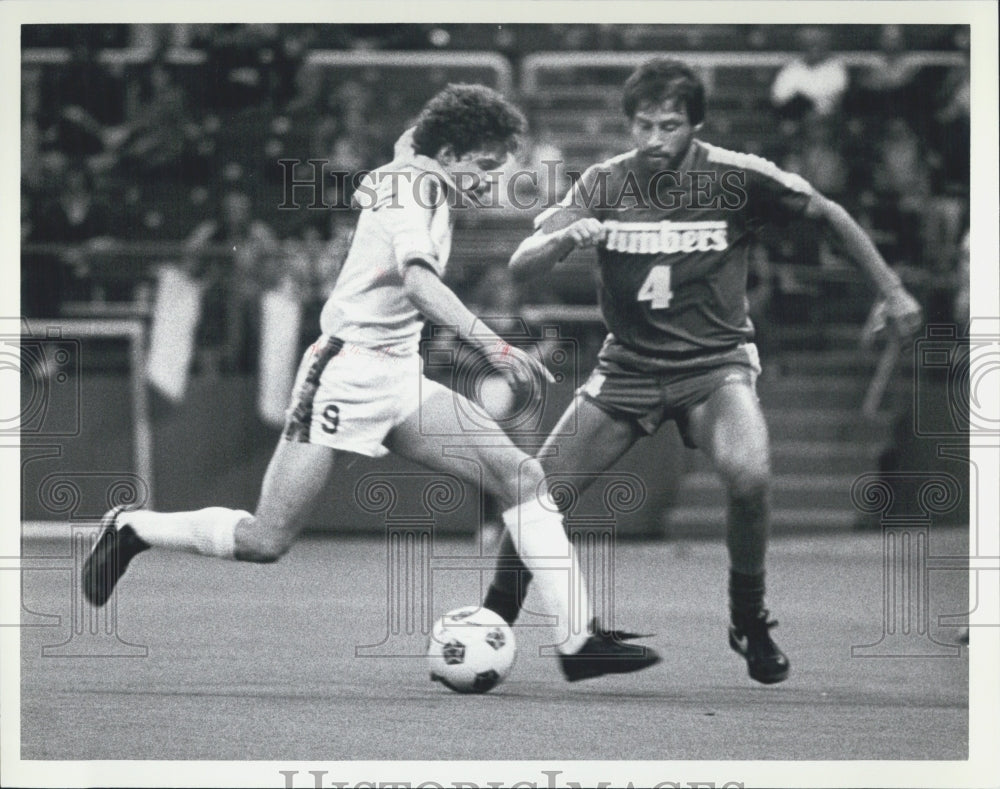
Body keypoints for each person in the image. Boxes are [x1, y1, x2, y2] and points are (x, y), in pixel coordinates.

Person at [82, 84, 660, 683]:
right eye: (484, 167)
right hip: (344, 373)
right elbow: (418, 282)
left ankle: (578, 639)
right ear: (449, 153)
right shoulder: (410, 192)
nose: (489, 182)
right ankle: (132, 528)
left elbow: (414, 135)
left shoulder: (420, 162)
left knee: (522, 475)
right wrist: (493, 346)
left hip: (399, 376)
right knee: (266, 538)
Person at [480, 58, 923, 685]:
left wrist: (892, 289)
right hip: (627, 368)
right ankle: (492, 623)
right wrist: (560, 241)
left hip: (712, 367)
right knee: (537, 492)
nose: (654, 140)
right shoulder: (605, 182)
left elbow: (827, 213)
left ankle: (748, 618)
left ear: (695, 125)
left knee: (750, 474)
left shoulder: (736, 178)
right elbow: (522, 263)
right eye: (642, 125)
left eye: (669, 126)